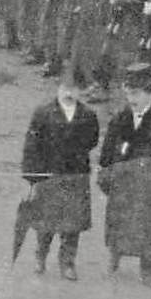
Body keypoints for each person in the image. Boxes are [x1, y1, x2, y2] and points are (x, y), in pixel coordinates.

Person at [97, 63, 151, 287]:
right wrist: (104, 171)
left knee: (150, 225)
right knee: (118, 218)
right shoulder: (121, 117)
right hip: (123, 180)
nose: (131, 99)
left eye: (136, 94)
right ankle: (115, 255)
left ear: (150, 93)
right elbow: (107, 150)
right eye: (128, 93)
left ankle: (147, 267)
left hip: (150, 184)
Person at [20, 73, 101, 280]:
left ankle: (67, 262)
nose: (68, 92)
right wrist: (32, 174)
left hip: (75, 175)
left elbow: (92, 141)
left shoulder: (88, 115)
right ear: (58, 88)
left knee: (72, 224)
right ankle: (40, 256)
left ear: (80, 91)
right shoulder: (43, 113)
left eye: (73, 88)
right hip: (50, 174)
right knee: (46, 221)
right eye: (64, 87)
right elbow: (31, 145)